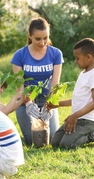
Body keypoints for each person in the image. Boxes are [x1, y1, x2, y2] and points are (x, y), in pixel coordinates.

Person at [46, 38, 94, 148]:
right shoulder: (83, 74)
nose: (75, 62)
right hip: (77, 119)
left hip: (87, 120)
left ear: (89, 57)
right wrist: (56, 104)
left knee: (66, 145)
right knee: (55, 142)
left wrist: (75, 115)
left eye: (77, 58)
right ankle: (87, 132)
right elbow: (77, 100)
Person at [10, 17, 64, 146]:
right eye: (38, 39)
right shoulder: (19, 55)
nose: (42, 42)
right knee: (32, 141)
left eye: (45, 38)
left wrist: (49, 105)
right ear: (30, 35)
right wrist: (28, 103)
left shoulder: (56, 54)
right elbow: (20, 87)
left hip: (46, 99)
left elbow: (55, 83)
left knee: (50, 139)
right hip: (26, 102)